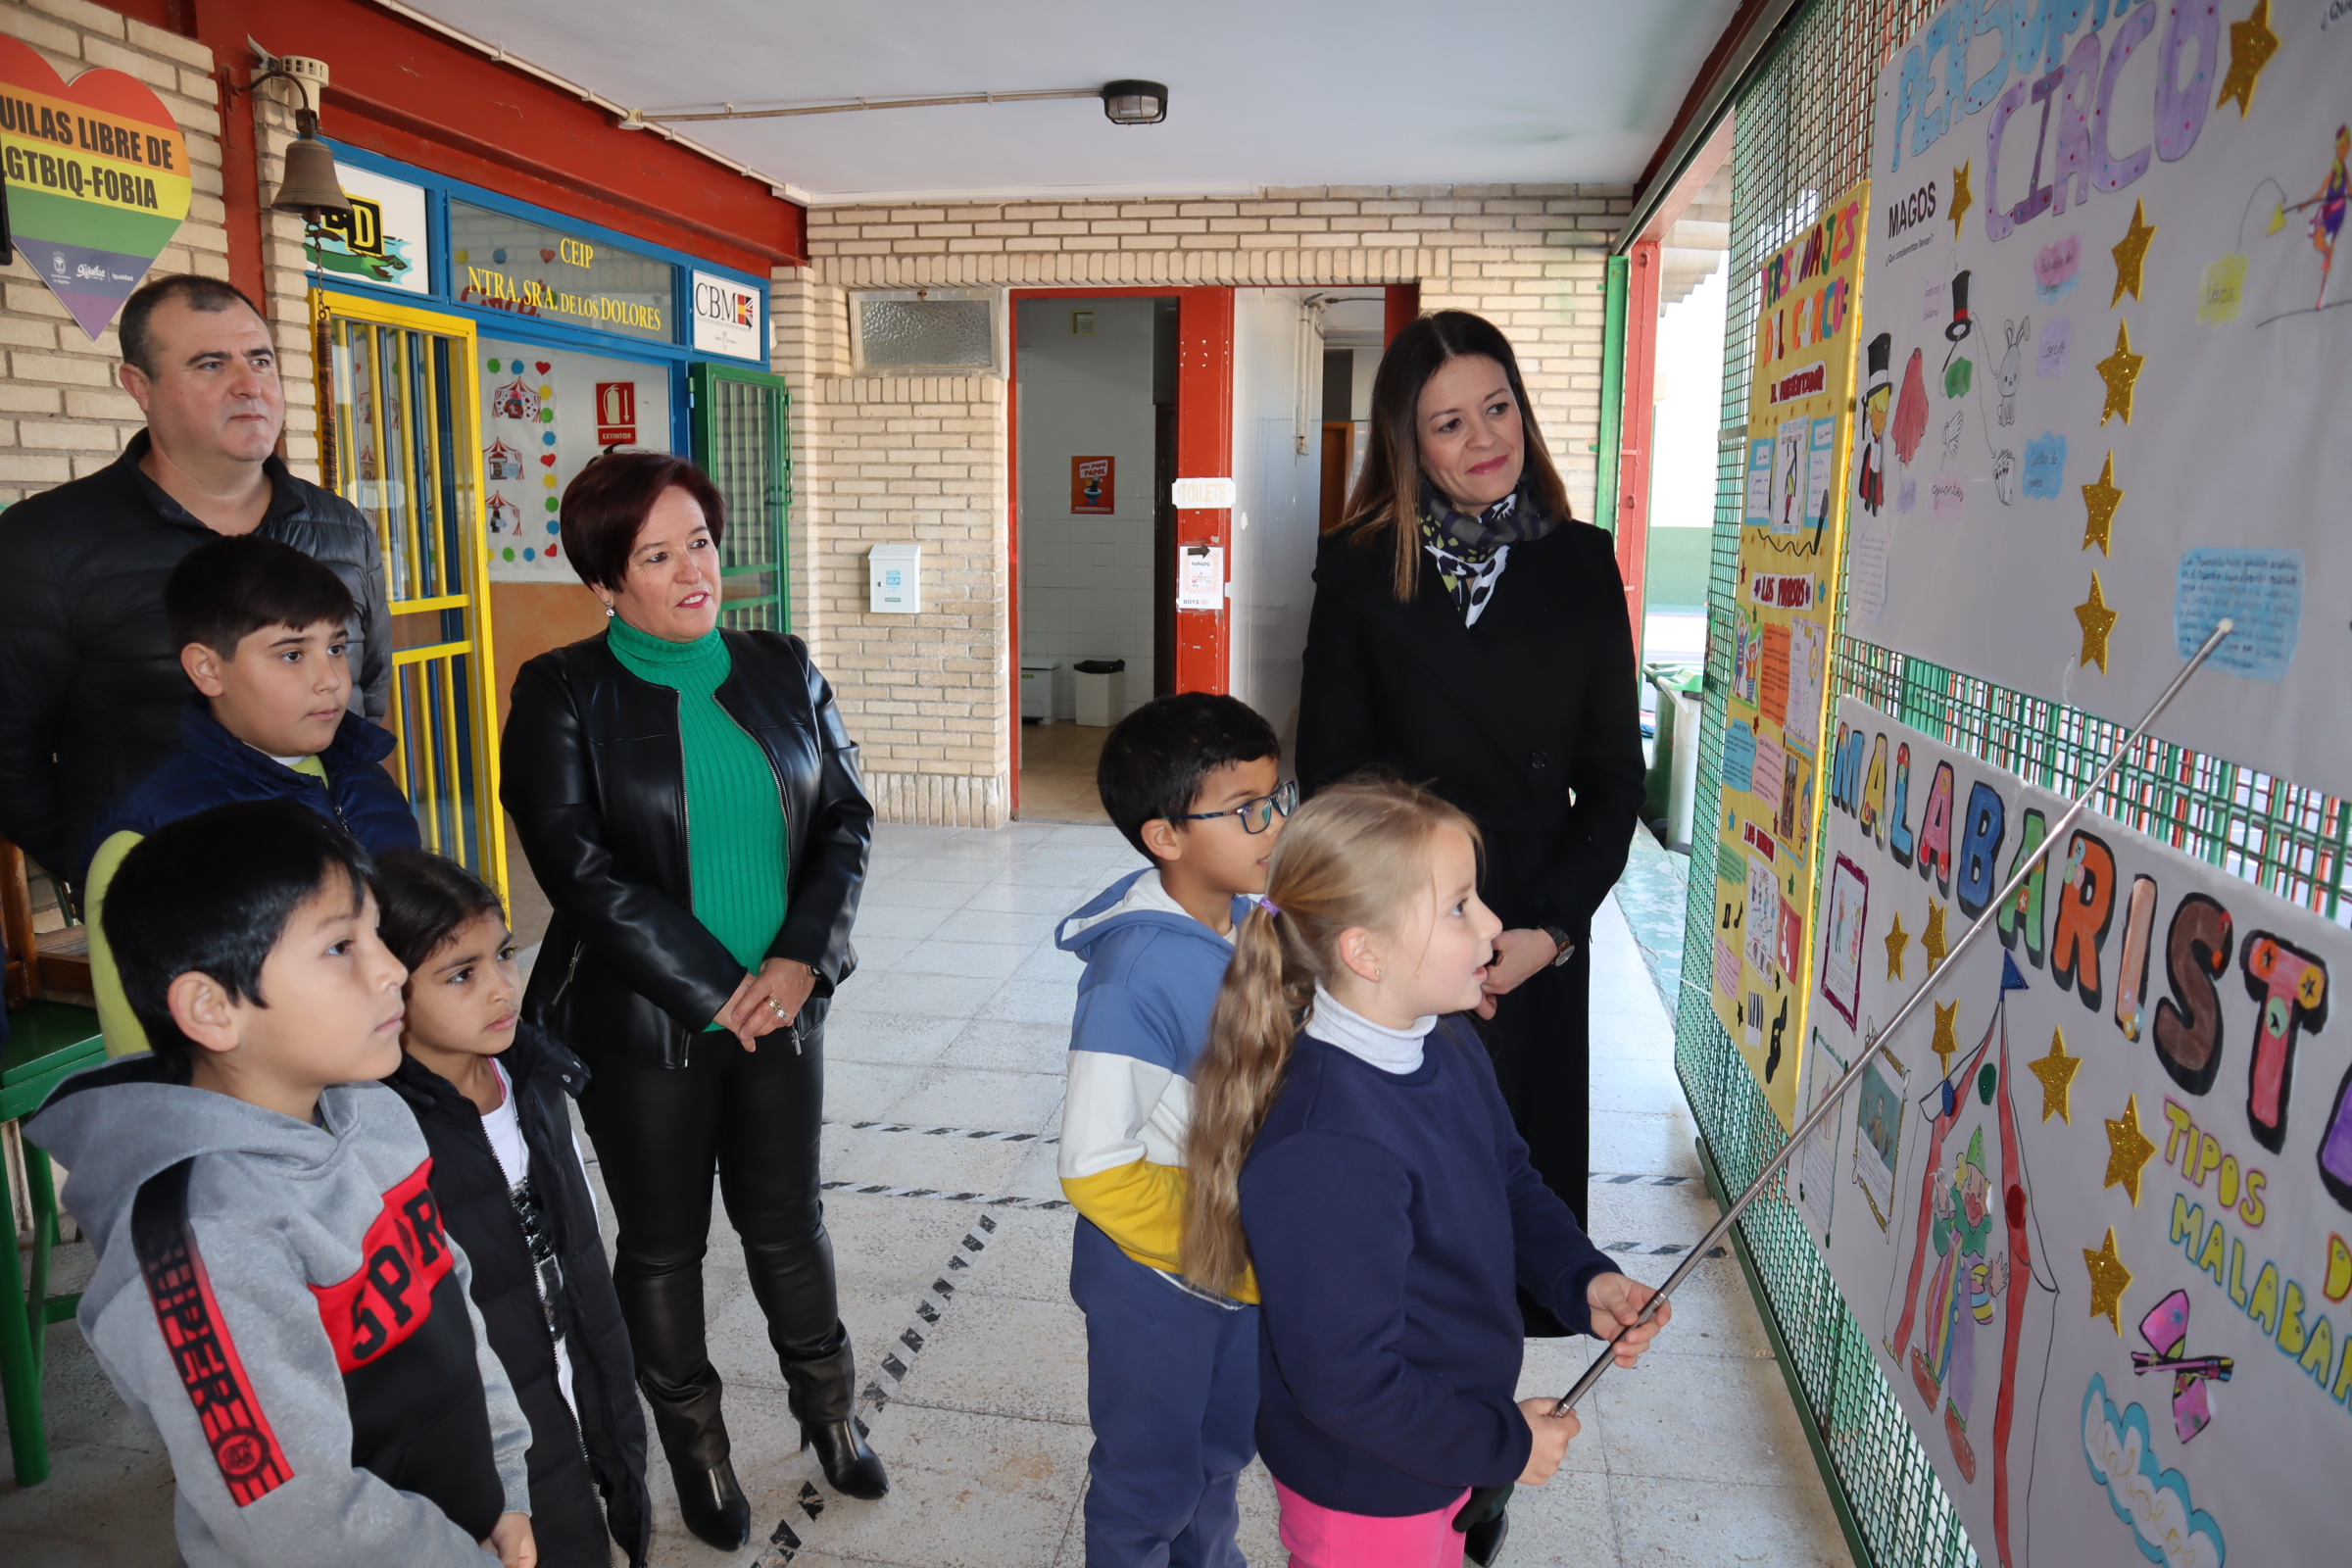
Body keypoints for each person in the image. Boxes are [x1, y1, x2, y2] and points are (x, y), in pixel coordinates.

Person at [502, 452, 882, 1550]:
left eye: (700, 544)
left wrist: (802, 960)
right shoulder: (563, 690)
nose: (690, 571)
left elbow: (846, 820)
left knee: (789, 1222)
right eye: (655, 555)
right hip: (643, 1029)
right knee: (663, 1244)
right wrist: (719, 989)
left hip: (784, 1009)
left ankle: (830, 1415)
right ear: (606, 583)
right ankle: (697, 1453)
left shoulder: (783, 665)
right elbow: (578, 871)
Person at [24, 801, 536, 1568]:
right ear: (213, 1009)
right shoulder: (206, 1240)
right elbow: (298, 1521)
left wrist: (507, 1486)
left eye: (374, 936)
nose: (391, 968)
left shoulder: (374, 1112)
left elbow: (453, 1302)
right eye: (340, 947)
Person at [1181, 780, 1669, 1568]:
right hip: (1369, 1486)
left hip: (1439, 1440)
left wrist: (1581, 1279)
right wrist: (1503, 1443)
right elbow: (1348, 1386)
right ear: (1365, 952)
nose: (1491, 926)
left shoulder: (1440, 1037)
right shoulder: (1329, 1148)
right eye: (1459, 906)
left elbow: (1508, 1181)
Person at [1295, 310, 1645, 1275]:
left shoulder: (1579, 561)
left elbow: (1616, 779)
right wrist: (1414, 929)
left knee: (1513, 1198)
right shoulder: (1361, 567)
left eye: (1497, 407)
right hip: (1408, 921)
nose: (1484, 437)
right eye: (1449, 423)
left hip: (1536, 911)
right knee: (1403, 1214)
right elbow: (1329, 779)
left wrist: (1549, 931)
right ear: (1408, 444)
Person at [0, 273, 391, 891]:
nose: (249, 385)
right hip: (169, 912)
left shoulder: (339, 527)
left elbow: (369, 694)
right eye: (211, 364)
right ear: (140, 387)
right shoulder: (43, 544)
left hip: (342, 895)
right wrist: (120, 877)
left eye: (260, 359)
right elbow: (10, 758)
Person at [1054, 693, 1292, 1568]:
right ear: (1165, 837)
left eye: (1277, 798)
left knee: (1220, 1455)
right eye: (1246, 810)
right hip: (1157, 1283)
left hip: (1238, 1268)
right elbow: (1094, 1167)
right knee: (1147, 1482)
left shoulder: (1252, 924)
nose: (1273, 825)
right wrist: (1219, 1243)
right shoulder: (1135, 976)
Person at [375, 847, 655, 1568]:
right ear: (385, 990)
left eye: (502, 954)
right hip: (494, 1431)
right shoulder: (386, 1138)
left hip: (578, 1373)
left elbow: (581, 1243)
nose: (502, 987)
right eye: (461, 974)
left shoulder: (532, 1074)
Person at [79, 534, 418, 1056]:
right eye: (290, 655)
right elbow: (149, 1056)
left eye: (336, 647)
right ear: (208, 669)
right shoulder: (148, 838)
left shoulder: (363, 776)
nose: (330, 680)